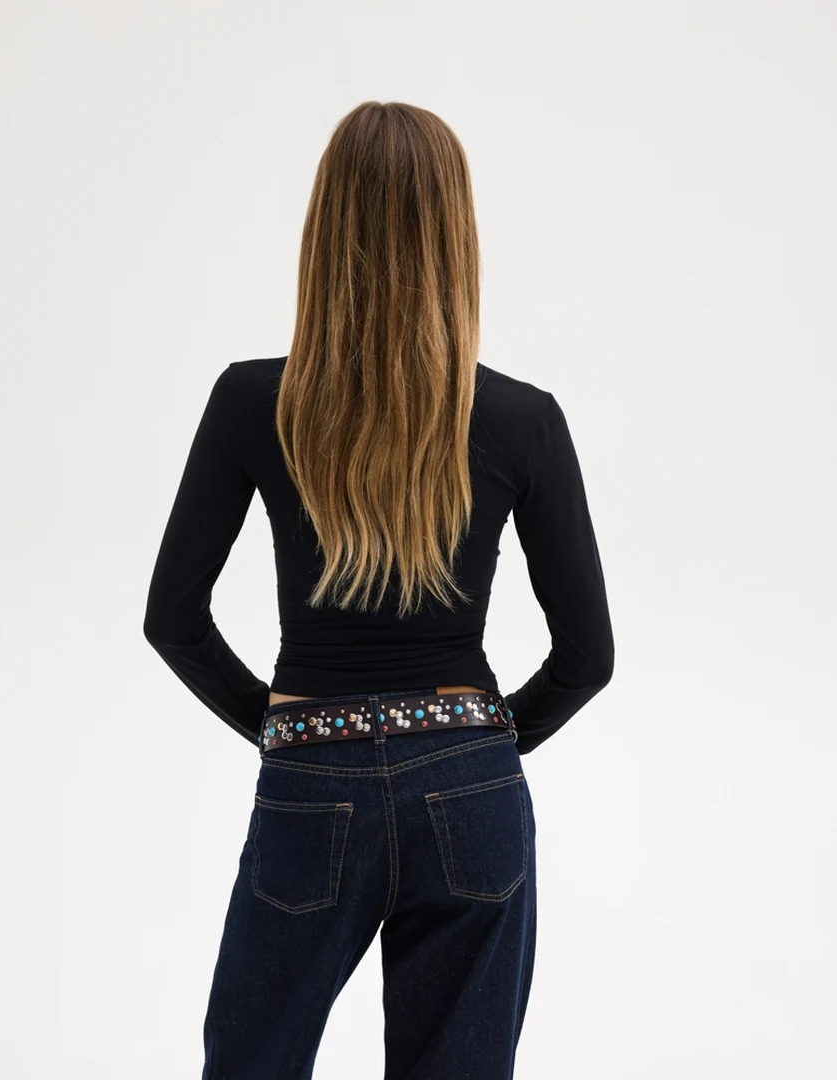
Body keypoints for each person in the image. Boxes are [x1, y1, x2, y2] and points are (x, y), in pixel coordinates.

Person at [143, 100, 614, 1080]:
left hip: (312, 782)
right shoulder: (523, 418)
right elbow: (588, 657)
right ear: (456, 236)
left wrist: (288, 726)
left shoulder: (252, 402)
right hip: (473, 787)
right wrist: (479, 742)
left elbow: (173, 620)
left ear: (325, 231)